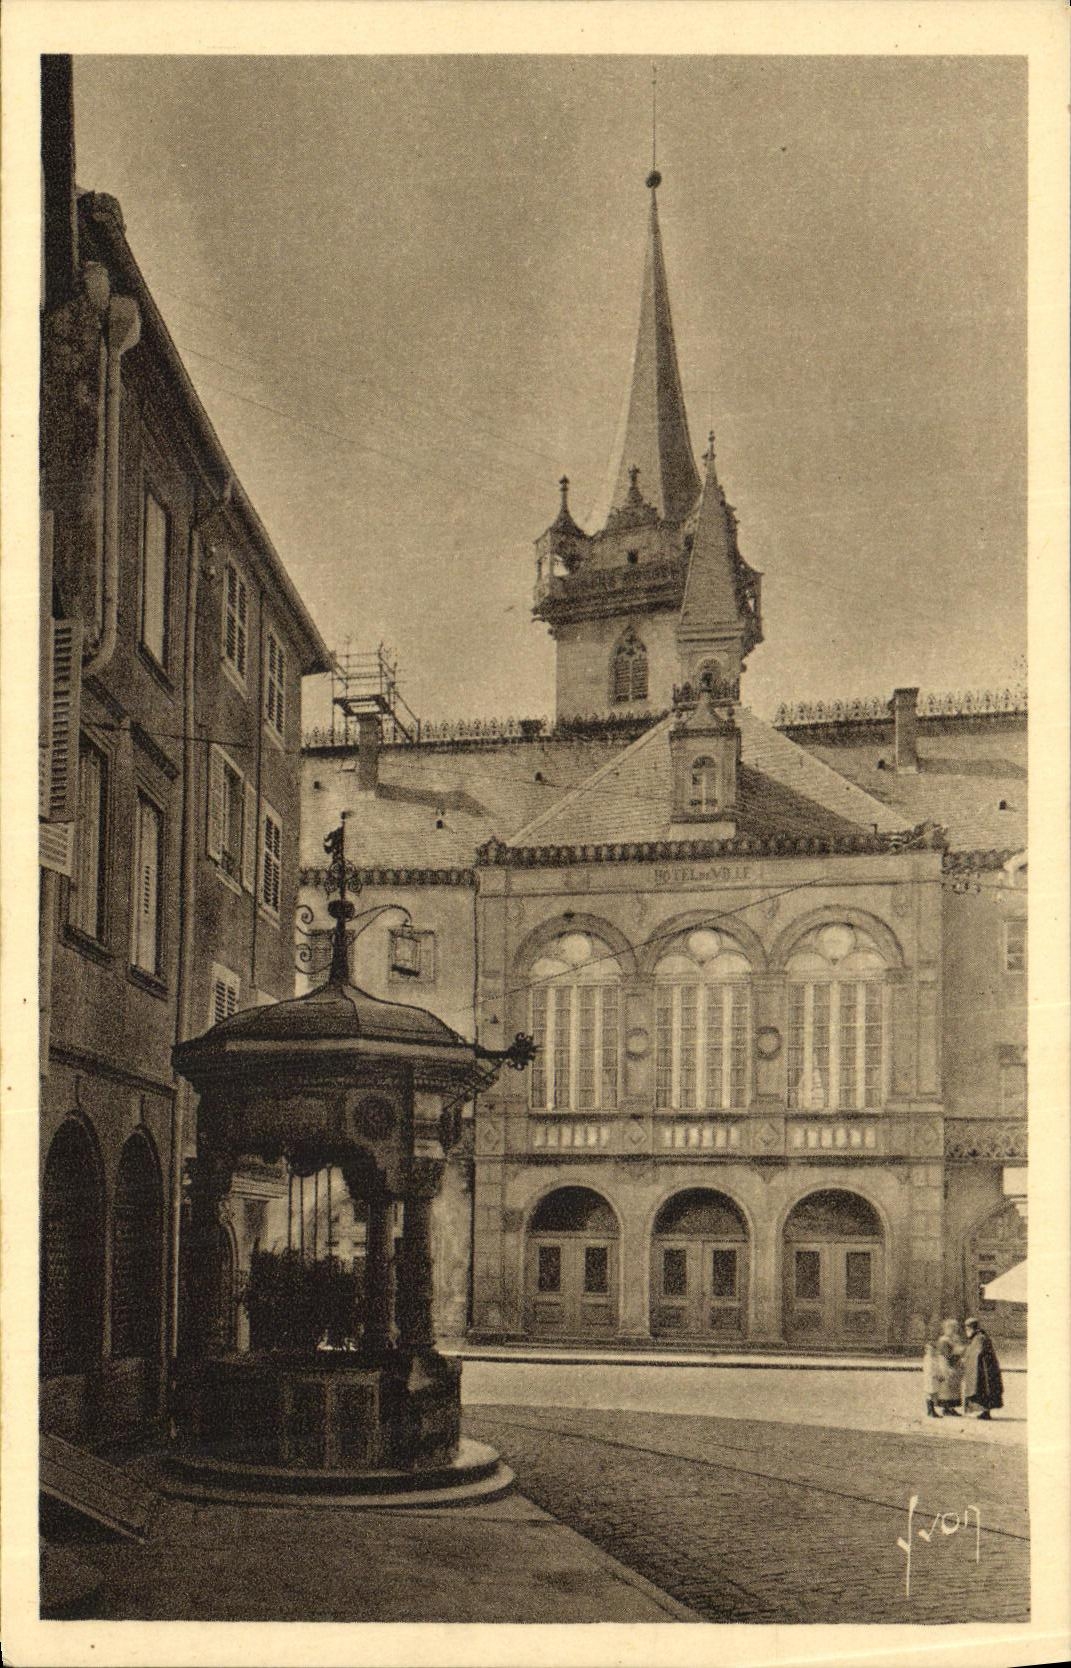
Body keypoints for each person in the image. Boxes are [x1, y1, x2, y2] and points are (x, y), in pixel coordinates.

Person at [961, 1315, 1004, 1419]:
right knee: (984, 1391)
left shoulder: (979, 1337)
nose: (966, 1331)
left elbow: (977, 1352)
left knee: (984, 1390)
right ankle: (985, 1412)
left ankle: (986, 1413)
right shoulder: (979, 1336)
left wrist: (967, 1358)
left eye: (967, 1328)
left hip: (984, 1371)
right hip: (983, 1369)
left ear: (972, 1328)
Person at [931, 1318, 964, 1416]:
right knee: (947, 1388)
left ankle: (952, 1408)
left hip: (955, 1365)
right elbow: (944, 1355)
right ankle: (946, 1408)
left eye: (955, 1328)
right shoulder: (943, 1340)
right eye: (951, 1328)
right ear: (946, 1328)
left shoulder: (955, 1339)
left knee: (954, 1388)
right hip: (947, 1366)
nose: (954, 1330)